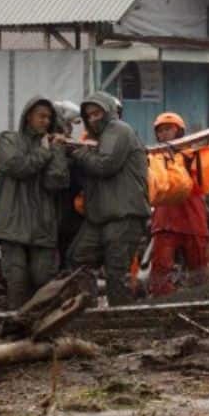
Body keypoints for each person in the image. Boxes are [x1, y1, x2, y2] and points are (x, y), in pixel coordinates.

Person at [68, 92, 150, 306]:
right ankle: (86, 306)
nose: (93, 118)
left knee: (116, 272)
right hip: (101, 216)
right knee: (78, 258)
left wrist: (78, 154)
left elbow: (105, 165)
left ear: (109, 112)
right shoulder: (98, 140)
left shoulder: (118, 129)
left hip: (124, 215)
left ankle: (118, 319)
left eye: (97, 113)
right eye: (89, 115)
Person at [0, 97, 69, 308]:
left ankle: (44, 330)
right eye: (41, 116)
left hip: (42, 226)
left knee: (43, 279)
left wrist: (57, 152)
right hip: (13, 224)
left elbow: (57, 181)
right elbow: (18, 167)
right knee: (16, 280)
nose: (46, 121)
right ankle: (15, 331)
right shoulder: (8, 140)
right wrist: (44, 152)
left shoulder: (51, 145)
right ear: (28, 116)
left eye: (49, 117)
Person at [148, 112, 209, 296]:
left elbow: (205, 182)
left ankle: (202, 304)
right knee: (160, 271)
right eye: (160, 131)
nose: (163, 134)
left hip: (193, 220)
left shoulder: (194, 155)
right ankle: (163, 307)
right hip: (165, 221)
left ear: (180, 132)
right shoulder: (154, 159)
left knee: (199, 270)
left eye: (168, 129)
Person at [53, 100, 85, 267]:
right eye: (69, 124)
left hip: (70, 205)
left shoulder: (69, 143)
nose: (71, 128)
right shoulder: (56, 143)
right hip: (63, 205)